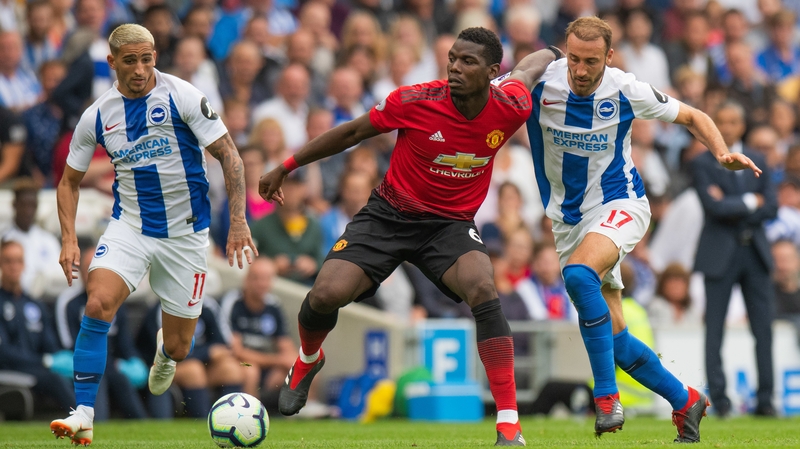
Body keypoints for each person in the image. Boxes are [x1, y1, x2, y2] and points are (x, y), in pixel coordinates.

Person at [260, 27, 558, 446]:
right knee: (325, 295)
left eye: (467, 61)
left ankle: (509, 423)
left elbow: (529, 68)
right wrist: (287, 165)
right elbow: (350, 132)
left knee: (484, 288)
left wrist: (558, 50)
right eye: (452, 57)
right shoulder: (415, 100)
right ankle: (309, 357)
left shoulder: (510, 104)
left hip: (449, 225)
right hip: (388, 216)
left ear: (492, 72)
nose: (454, 66)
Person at [524, 16, 760, 441]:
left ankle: (606, 397)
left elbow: (693, 115)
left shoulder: (625, 88)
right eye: (574, 58)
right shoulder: (541, 82)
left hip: (620, 203)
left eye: (591, 62)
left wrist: (722, 152)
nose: (579, 70)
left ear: (609, 57)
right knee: (613, 339)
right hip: (568, 221)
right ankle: (686, 399)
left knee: (579, 276)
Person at [50, 24, 256, 446]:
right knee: (98, 301)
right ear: (112, 63)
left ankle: (166, 351)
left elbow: (229, 155)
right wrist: (69, 239)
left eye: (148, 58)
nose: (141, 69)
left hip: (187, 236)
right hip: (132, 227)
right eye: (130, 61)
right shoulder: (98, 115)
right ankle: (84, 413)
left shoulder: (183, 95)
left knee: (181, 349)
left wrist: (238, 220)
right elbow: (68, 182)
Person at [692, 100, 778, 418]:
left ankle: (766, 400)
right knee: (714, 330)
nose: (726, 128)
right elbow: (712, 207)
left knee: (763, 330)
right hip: (720, 255)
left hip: (754, 252)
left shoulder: (758, 160)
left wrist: (732, 203)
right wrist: (749, 201)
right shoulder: (702, 163)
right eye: (721, 122)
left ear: (741, 126)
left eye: (731, 122)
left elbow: (771, 206)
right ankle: (720, 400)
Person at [55, 240, 148, 420]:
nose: (92, 273)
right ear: (81, 271)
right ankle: (95, 423)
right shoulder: (69, 302)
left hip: (112, 365)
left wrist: (131, 361)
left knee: (122, 380)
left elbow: (125, 344)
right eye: (89, 267)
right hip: (81, 362)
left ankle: (144, 425)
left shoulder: (115, 303)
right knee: (98, 376)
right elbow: (67, 343)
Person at [0, 240, 75, 413]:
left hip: (39, 367)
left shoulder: (34, 304)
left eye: (18, 261)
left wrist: (57, 358)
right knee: (55, 380)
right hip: (11, 368)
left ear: (24, 264)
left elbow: (49, 343)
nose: (14, 266)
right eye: (8, 261)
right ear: (1, 264)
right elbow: (3, 352)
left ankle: (95, 418)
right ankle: (83, 422)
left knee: (78, 375)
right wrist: (43, 361)